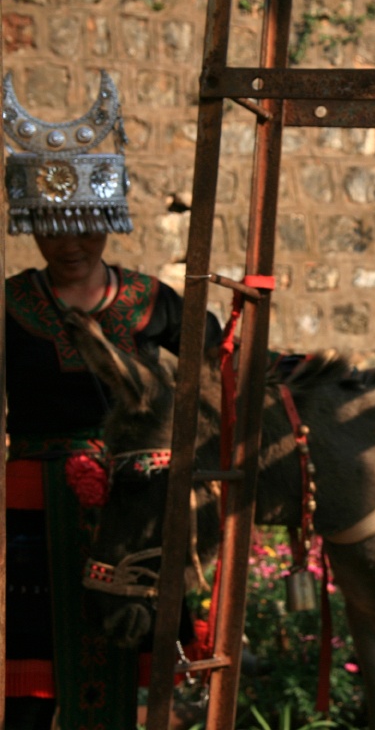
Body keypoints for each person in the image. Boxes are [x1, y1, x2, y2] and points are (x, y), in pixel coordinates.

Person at [3, 71, 219, 729]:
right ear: (32, 225)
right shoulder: (11, 309)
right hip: (34, 512)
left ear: (107, 220)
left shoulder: (161, 310)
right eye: (51, 225)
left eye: (84, 225)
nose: (69, 244)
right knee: (36, 661)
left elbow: (211, 397)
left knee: (148, 660)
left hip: (141, 508)